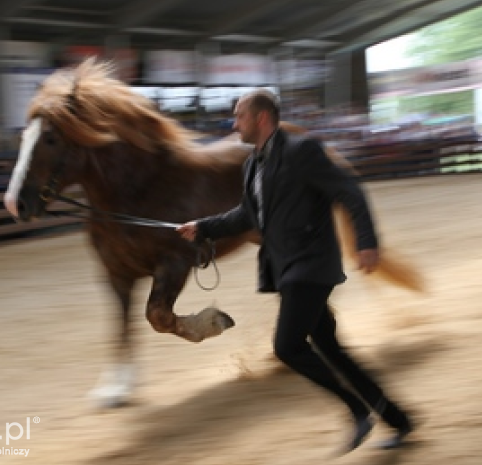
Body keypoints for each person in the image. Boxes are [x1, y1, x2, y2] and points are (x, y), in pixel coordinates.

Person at [176, 90, 414, 453]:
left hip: (312, 265)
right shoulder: (252, 164)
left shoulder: (303, 151)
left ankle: (356, 411)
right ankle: (398, 419)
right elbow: (246, 216)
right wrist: (203, 227)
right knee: (332, 350)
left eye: (239, 115)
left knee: (286, 347)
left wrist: (366, 242)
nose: (233, 123)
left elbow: (349, 191)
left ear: (261, 118)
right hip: (288, 268)